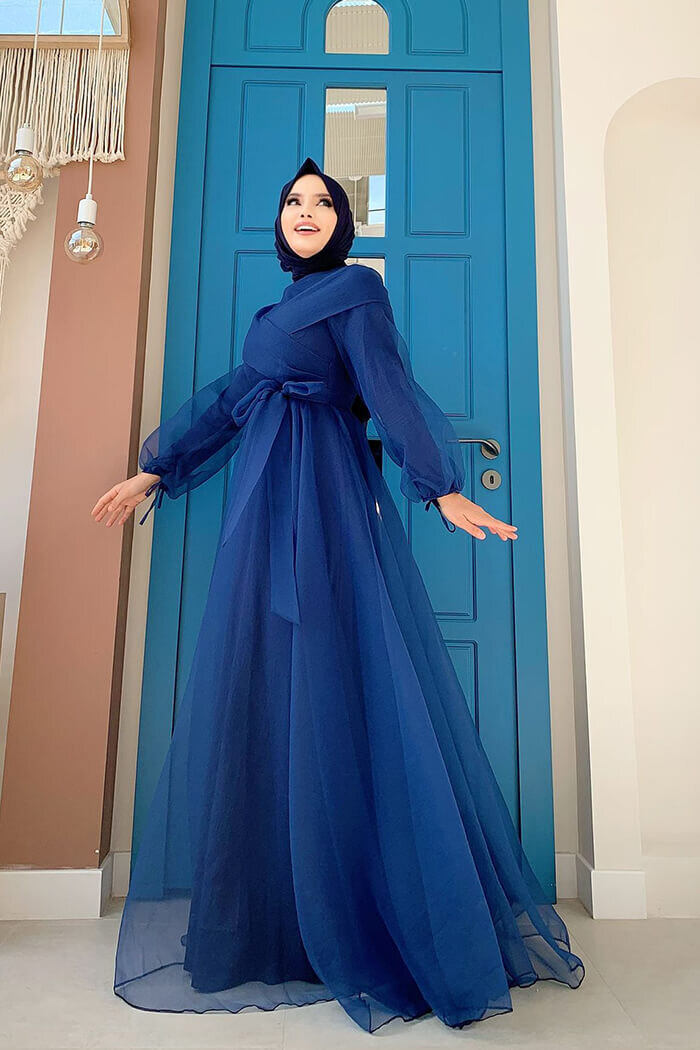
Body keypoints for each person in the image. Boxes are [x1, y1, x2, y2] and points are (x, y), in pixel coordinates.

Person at [93, 157, 585, 1033]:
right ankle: (273, 926)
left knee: (333, 681)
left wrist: (439, 485)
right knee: (269, 691)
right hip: (264, 511)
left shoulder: (357, 291)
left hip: (322, 505)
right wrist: (154, 468)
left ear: (343, 222)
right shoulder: (280, 311)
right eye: (293, 201)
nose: (306, 211)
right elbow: (232, 398)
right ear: (279, 220)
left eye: (322, 202)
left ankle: (362, 920)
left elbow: (388, 390)